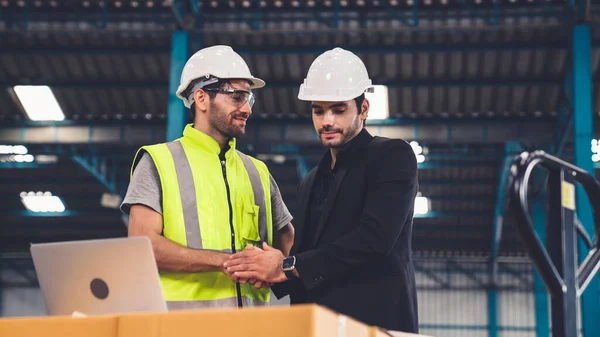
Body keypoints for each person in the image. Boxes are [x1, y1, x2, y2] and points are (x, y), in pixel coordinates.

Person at [223, 47, 419, 332]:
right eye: (318, 111)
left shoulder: (391, 157)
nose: (327, 121)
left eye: (339, 110)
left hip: (377, 326)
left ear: (363, 109)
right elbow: (305, 260)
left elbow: (374, 239)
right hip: (318, 327)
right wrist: (265, 270)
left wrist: (285, 266)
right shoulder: (310, 181)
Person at [120, 45, 295, 310]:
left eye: (249, 99)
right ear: (201, 99)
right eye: (237, 97)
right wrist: (226, 261)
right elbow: (143, 245)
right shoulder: (158, 161)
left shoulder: (257, 171)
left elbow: (287, 239)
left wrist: (281, 267)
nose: (247, 109)